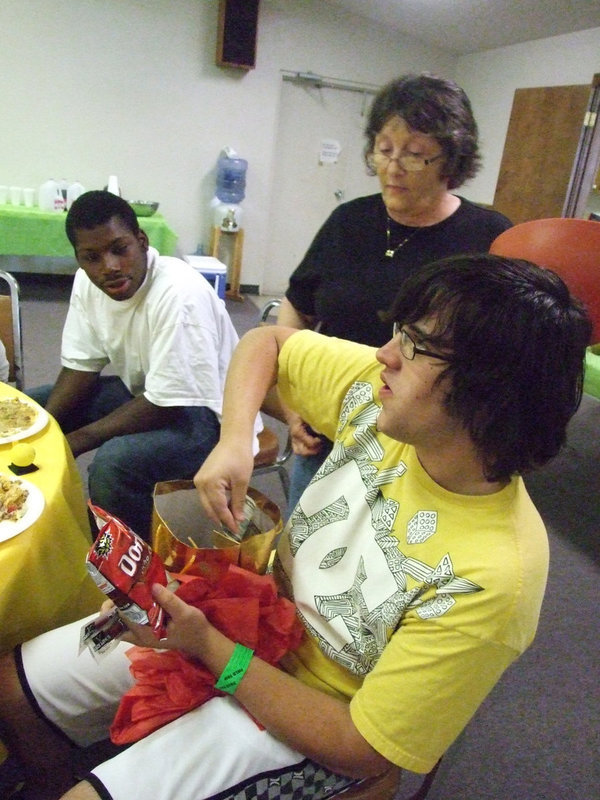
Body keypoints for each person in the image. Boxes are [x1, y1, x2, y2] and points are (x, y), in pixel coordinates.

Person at [0, 253, 590, 800]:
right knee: (13, 687)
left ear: (487, 396)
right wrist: (236, 439)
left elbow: (361, 748)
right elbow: (268, 343)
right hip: (246, 618)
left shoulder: (494, 575)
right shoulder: (385, 396)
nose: (385, 354)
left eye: (415, 345)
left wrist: (211, 649)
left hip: (310, 711)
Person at [278, 72, 513, 512]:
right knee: (301, 558)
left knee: (389, 569)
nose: (392, 166)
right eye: (384, 150)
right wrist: (295, 402)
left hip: (424, 451)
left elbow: (503, 356)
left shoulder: (490, 238)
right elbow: (297, 307)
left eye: (416, 154)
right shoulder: (348, 221)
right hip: (330, 431)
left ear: (452, 160)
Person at [28, 189, 259, 541]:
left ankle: (133, 571)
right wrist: (43, 430)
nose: (110, 267)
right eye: (92, 257)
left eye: (120, 249)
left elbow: (166, 406)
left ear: (142, 241)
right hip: (148, 392)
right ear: (78, 259)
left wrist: (71, 440)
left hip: (211, 418)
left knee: (113, 463)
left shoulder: (178, 293)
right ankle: (24, 518)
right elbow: (80, 369)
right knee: (31, 410)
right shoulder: (87, 285)